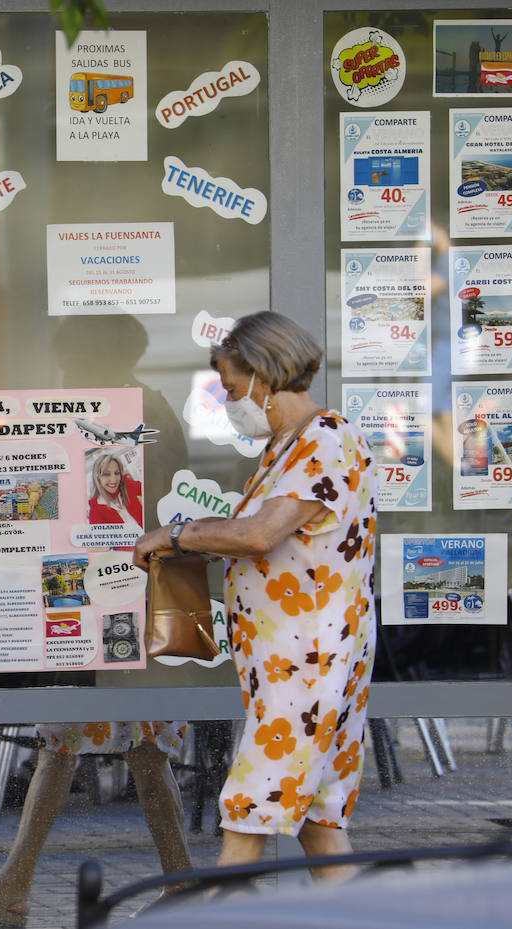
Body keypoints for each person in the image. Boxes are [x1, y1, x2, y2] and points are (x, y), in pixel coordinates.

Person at [134, 311, 377, 881]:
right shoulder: (286, 448)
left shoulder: (325, 438)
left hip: (309, 658)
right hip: (293, 658)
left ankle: (218, 910)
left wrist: (174, 535)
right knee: (317, 815)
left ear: (264, 375)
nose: (226, 395)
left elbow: (261, 534)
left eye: (230, 382)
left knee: (253, 804)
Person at [0, 722, 192, 928]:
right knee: (59, 743)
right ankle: (12, 886)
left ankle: (182, 890)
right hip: (89, 658)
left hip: (120, 661)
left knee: (145, 750)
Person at [87, 451, 143, 527]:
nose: (114, 480)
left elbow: (148, 489)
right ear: (98, 477)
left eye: (117, 473)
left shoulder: (125, 485)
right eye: (106, 474)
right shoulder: (96, 511)